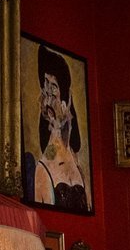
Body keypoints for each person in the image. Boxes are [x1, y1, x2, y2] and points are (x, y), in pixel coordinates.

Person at [23, 43, 88, 214]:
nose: (49, 97)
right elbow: (50, 151)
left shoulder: (75, 160)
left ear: (67, 99)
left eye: (54, 87)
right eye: (46, 86)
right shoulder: (44, 167)